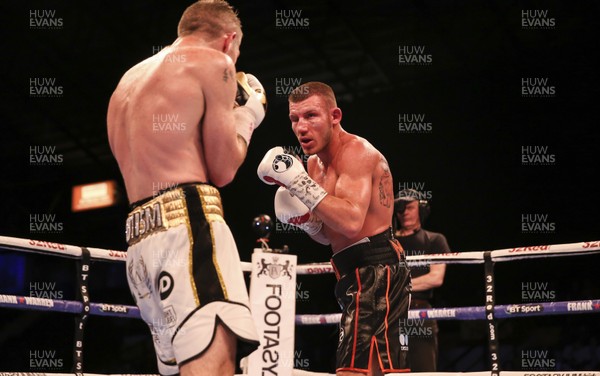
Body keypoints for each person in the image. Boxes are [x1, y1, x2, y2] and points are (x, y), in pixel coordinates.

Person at [106, 1, 266, 375]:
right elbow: (224, 170)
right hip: (189, 229)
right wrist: (246, 119)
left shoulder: (127, 83)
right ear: (229, 41)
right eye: (237, 51)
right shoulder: (216, 64)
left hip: (139, 243)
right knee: (214, 367)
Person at [257, 82, 412, 376]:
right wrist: (306, 223)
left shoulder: (357, 153)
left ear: (334, 116)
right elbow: (330, 235)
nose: (301, 127)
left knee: (354, 370)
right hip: (349, 272)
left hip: (377, 268)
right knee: (378, 369)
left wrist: (298, 184)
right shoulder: (314, 165)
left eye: (311, 116)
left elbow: (352, 222)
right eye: (294, 119)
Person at [393, 189, 450, 372]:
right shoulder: (388, 243)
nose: (404, 212)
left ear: (421, 209)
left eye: (409, 207)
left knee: (424, 371)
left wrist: (399, 287)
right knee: (391, 371)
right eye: (400, 209)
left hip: (419, 313)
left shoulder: (434, 239)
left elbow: (436, 278)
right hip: (390, 313)